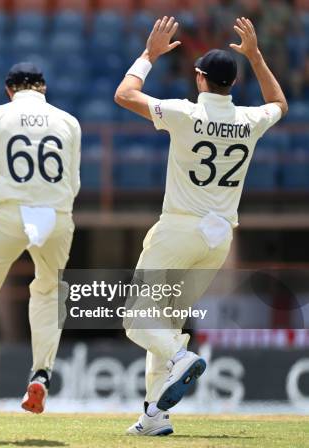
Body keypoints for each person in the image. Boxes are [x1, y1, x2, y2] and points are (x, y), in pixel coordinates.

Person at [113, 16, 287, 436]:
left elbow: (124, 95)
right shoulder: (248, 120)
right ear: (233, 83)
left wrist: (149, 55)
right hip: (219, 238)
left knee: (138, 319)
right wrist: (258, 58)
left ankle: (179, 359)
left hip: (179, 229)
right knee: (167, 321)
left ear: (199, 78)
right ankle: (155, 417)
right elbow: (280, 103)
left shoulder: (184, 113)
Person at [0, 62, 81, 421]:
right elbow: (75, 184)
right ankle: (41, 373)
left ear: (10, 90)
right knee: (50, 291)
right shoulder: (69, 121)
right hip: (56, 215)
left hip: (11, 214)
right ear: (43, 88)